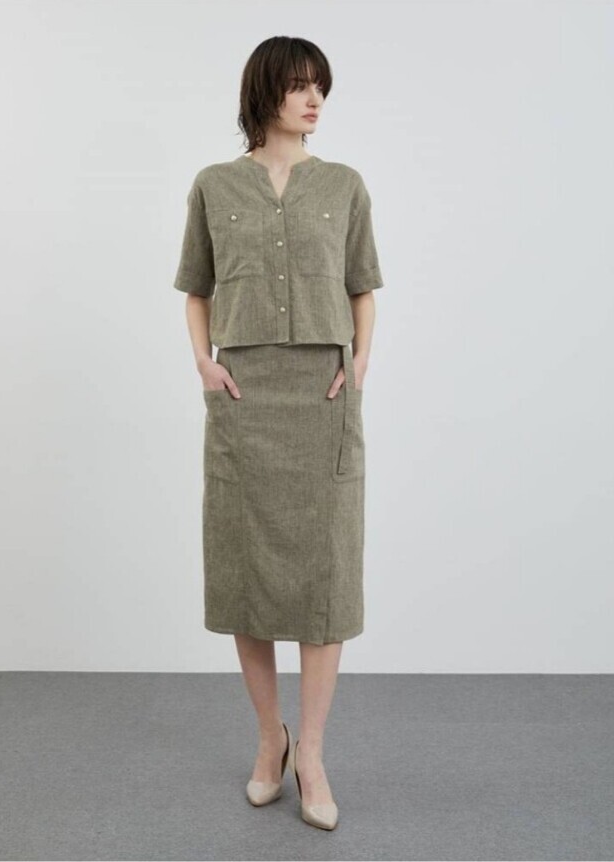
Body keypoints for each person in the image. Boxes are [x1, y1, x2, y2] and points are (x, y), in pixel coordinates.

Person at [172, 36, 384, 830]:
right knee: (247, 571)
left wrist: (358, 365)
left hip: (324, 396)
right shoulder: (214, 185)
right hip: (245, 394)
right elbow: (197, 288)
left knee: (327, 574)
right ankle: (272, 740)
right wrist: (204, 364)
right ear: (264, 93)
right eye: (299, 86)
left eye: (320, 86)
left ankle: (314, 752)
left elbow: (362, 287)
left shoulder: (345, 185)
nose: (314, 99)